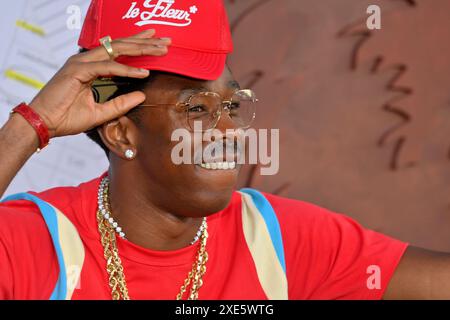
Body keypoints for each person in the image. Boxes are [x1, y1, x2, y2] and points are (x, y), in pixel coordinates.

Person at [0, 0, 449, 300]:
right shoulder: (36, 241)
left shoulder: (277, 238)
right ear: (121, 133)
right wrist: (30, 126)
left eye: (232, 105)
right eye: (195, 108)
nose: (229, 130)